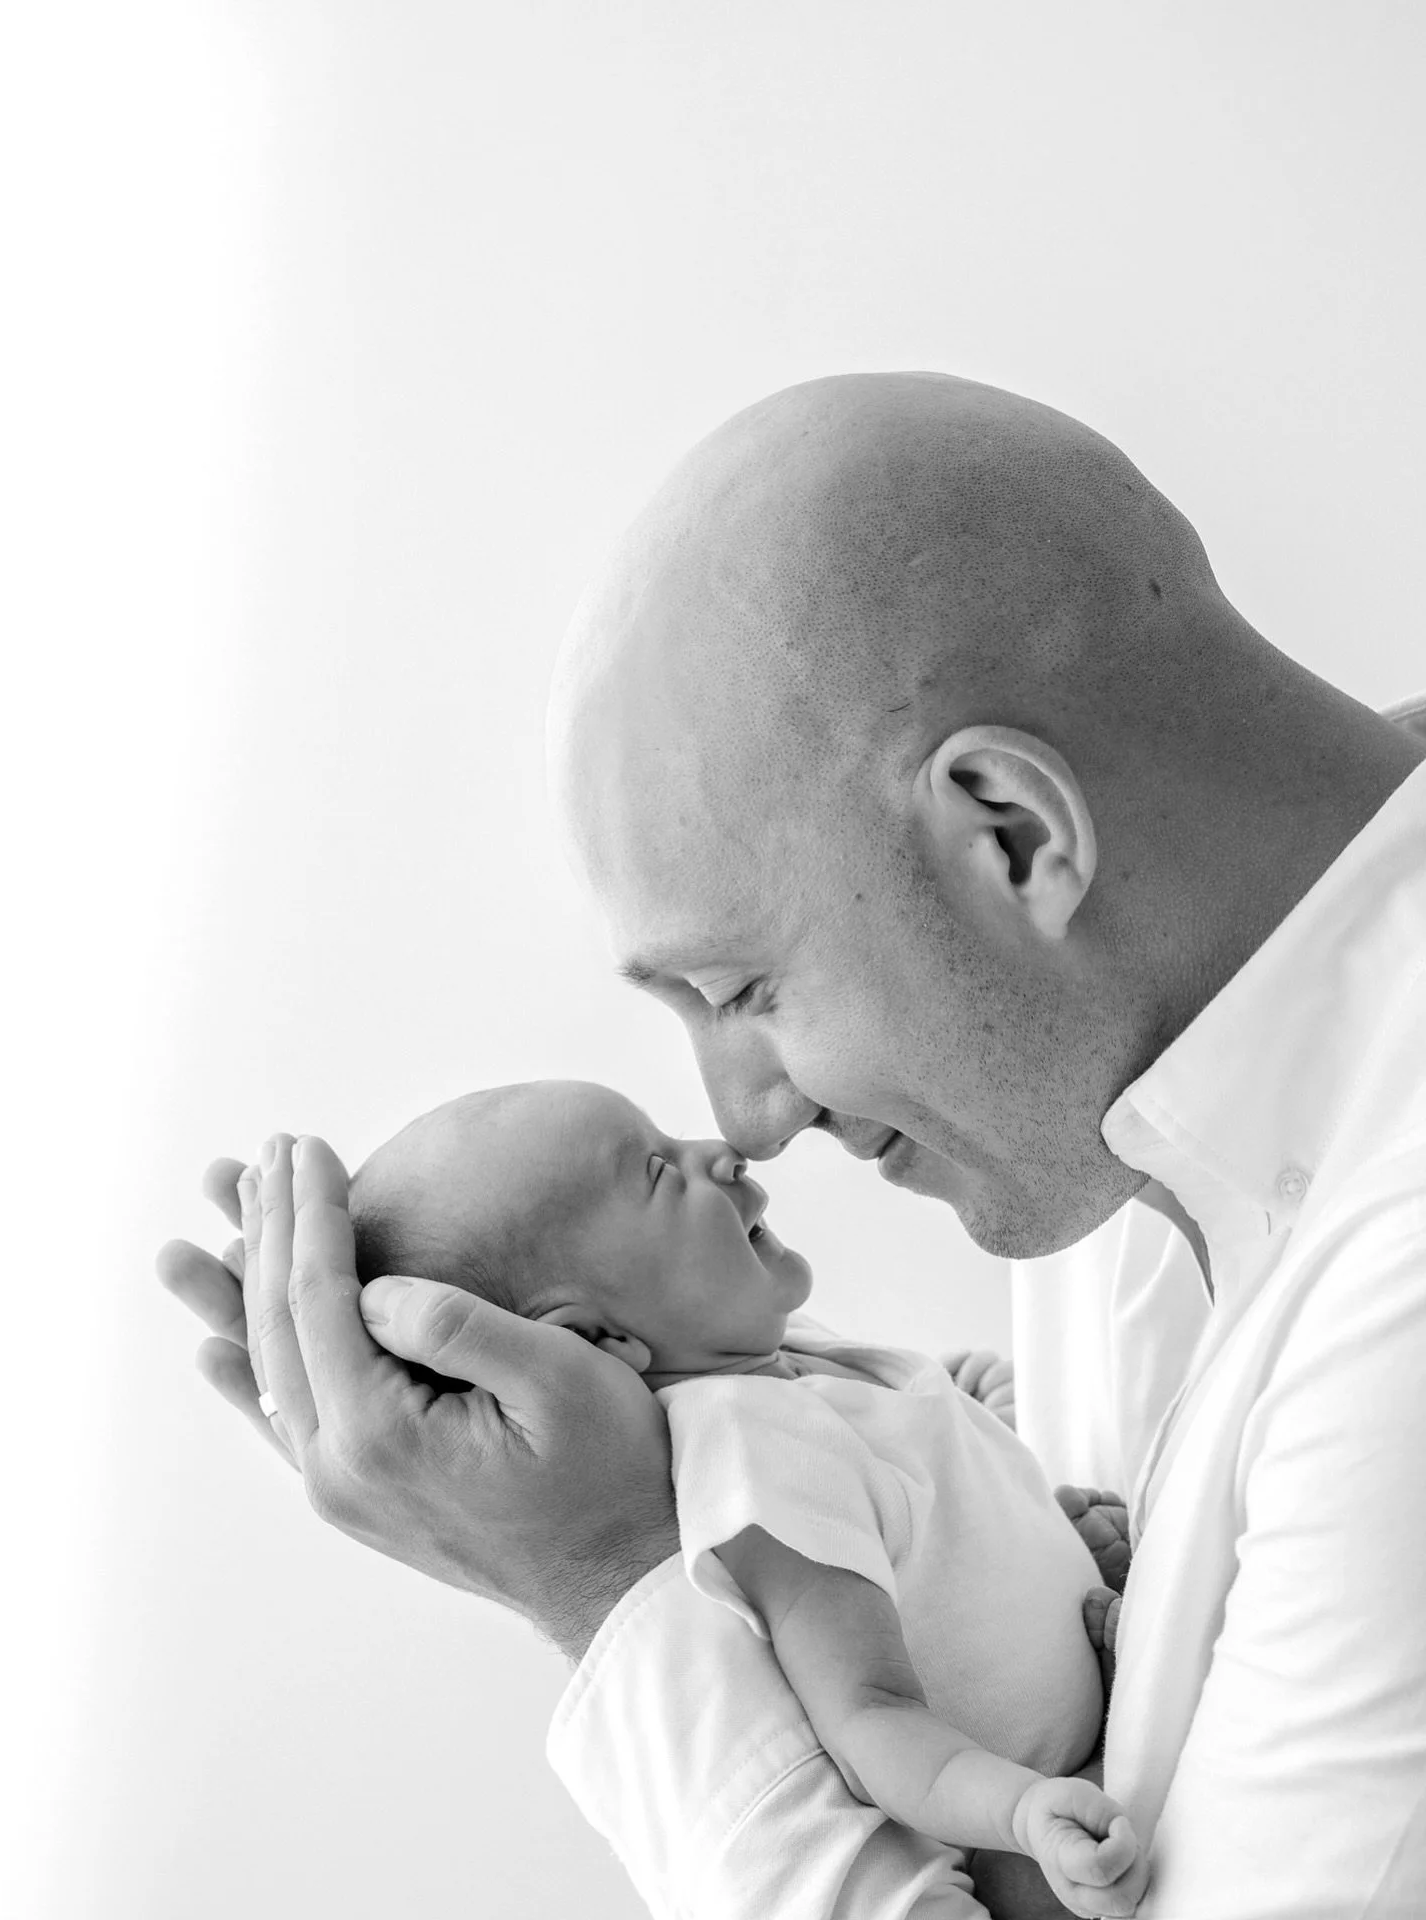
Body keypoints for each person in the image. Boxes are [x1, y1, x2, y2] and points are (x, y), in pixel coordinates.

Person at [159, 373, 1426, 1917]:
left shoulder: (1398, 1276)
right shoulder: (1135, 1098)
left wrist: (616, 1591)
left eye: (742, 990)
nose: (750, 1118)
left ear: (1012, 834)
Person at [344, 1078, 1142, 1916]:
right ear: (592, 1340)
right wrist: (1025, 1809)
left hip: (1094, 1746)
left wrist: (998, 1459)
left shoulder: (784, 1362)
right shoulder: (752, 1452)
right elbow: (871, 1717)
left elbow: (910, 1440)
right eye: (657, 1170)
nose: (721, 1150)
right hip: (1033, 1846)